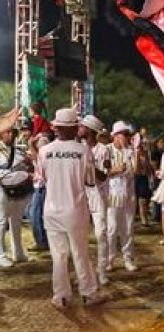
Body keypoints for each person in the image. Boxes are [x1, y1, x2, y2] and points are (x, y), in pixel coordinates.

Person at [38, 108, 100, 308]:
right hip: (75, 210)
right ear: (74, 128)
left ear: (57, 128)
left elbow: (42, 180)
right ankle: (88, 293)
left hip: (52, 210)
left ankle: (61, 296)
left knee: (58, 256)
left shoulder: (44, 151)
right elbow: (90, 181)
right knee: (80, 253)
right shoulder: (84, 151)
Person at [79, 115, 111, 285]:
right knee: (81, 235)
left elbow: (104, 176)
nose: (79, 128)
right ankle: (85, 271)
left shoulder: (103, 149)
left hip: (99, 194)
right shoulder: (78, 148)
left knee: (101, 233)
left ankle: (102, 270)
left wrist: (90, 162)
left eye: (82, 126)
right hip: (82, 195)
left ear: (89, 130)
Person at [0, 113, 31, 267]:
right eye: (8, 132)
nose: (11, 134)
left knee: (16, 221)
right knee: (1, 222)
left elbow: (24, 168)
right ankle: (0, 254)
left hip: (17, 191)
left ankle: (18, 252)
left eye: (13, 132)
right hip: (1, 190)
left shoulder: (17, 151)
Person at [107, 121, 138, 272]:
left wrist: (138, 152)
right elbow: (100, 173)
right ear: (116, 136)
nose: (127, 137)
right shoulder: (107, 150)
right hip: (112, 194)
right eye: (124, 134)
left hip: (128, 194)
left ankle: (128, 258)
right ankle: (109, 259)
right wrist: (115, 170)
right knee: (112, 229)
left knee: (128, 228)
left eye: (128, 135)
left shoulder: (131, 151)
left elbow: (136, 171)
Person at [133, 133, 153, 227]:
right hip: (134, 177)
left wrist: (151, 174)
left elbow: (148, 166)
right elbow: (136, 169)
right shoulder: (132, 152)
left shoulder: (145, 153)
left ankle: (144, 219)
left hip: (143, 178)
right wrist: (137, 155)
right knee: (133, 200)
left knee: (143, 200)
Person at [149, 137, 164, 222]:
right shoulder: (155, 152)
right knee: (156, 195)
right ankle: (156, 215)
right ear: (157, 143)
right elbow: (153, 164)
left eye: (163, 142)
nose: (163, 143)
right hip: (157, 176)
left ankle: (160, 214)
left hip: (163, 176)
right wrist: (156, 173)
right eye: (161, 142)